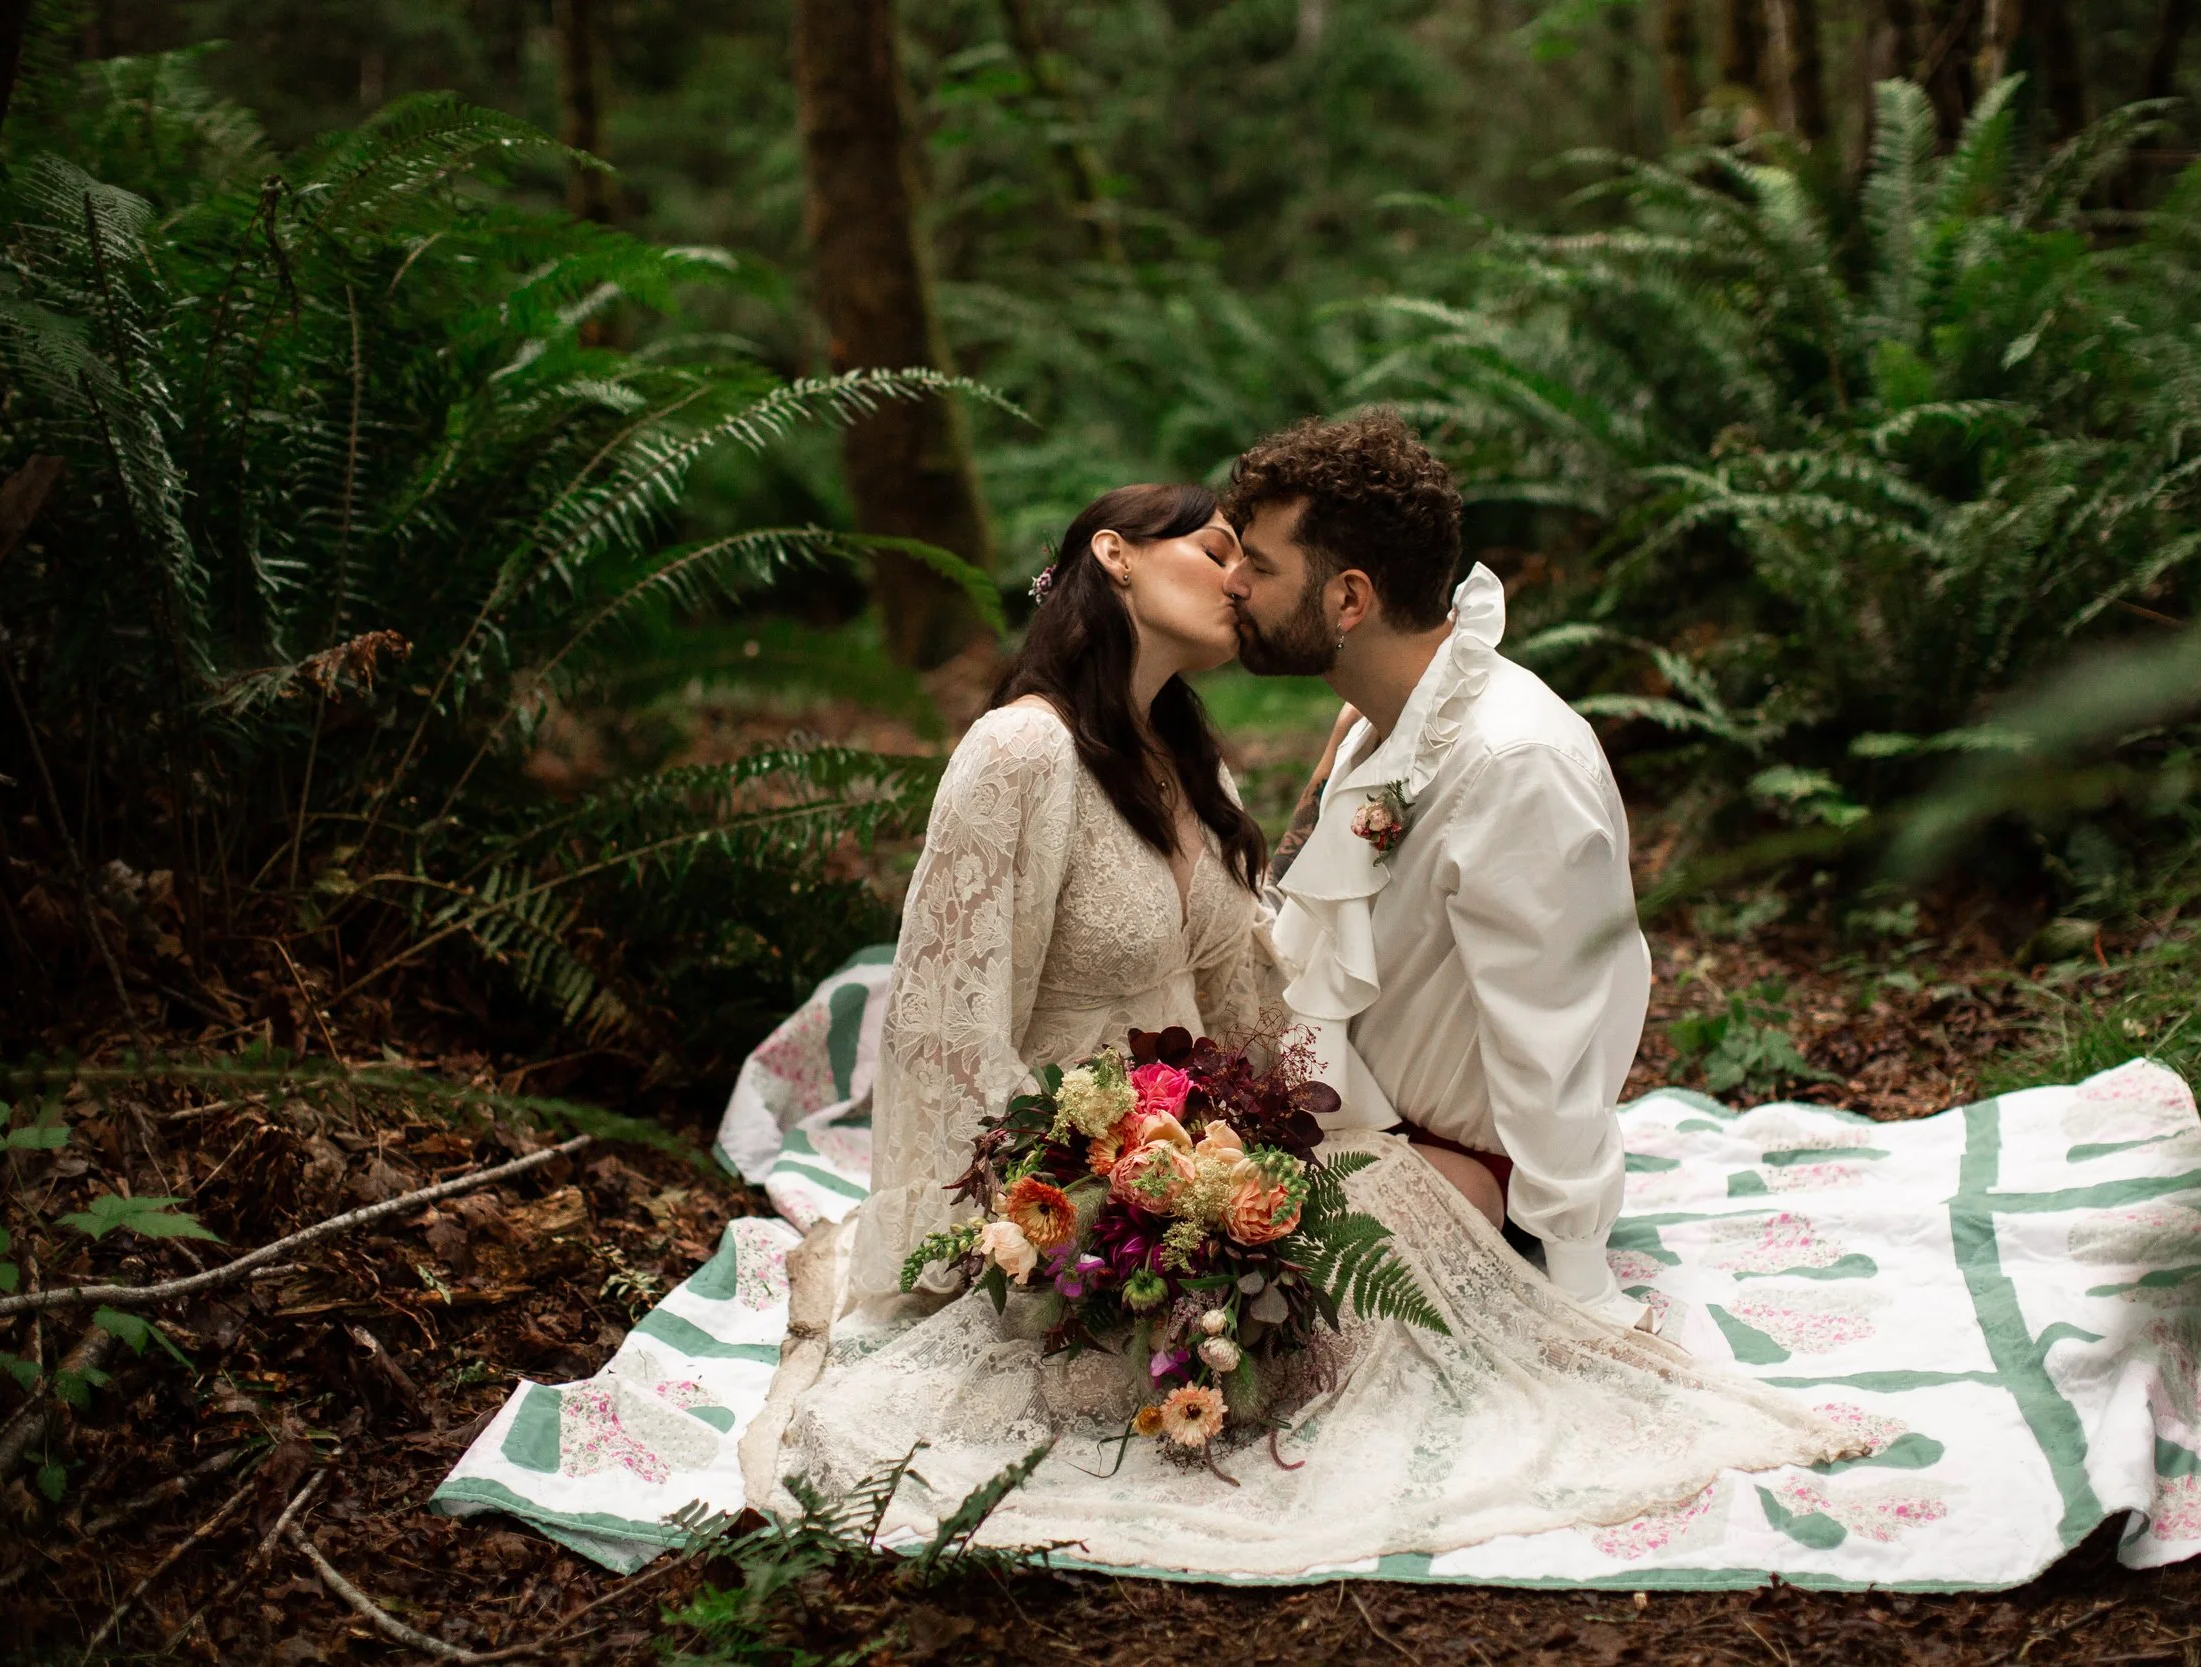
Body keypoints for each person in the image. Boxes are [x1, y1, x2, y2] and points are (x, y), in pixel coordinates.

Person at [763, 480, 1854, 1577]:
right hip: (1058, 1190)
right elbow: (942, 1034)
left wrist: (1316, 1147)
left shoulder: (1187, 766)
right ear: (1117, 555)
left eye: (1253, 560)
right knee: (1304, 1303)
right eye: (1214, 547)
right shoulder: (1020, 755)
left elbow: (1252, 1006)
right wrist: (997, 1240)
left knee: (1405, 1218)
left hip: (1188, 1156)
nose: (1236, 580)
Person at [1219, 410, 1652, 1329]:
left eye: (1258, 565)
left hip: (1443, 1167)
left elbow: (1552, 1037)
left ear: (1349, 600)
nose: (1232, 582)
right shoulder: (1378, 720)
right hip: (1333, 1123)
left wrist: (1579, 1283)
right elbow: (1303, 926)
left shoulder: (1513, 763)